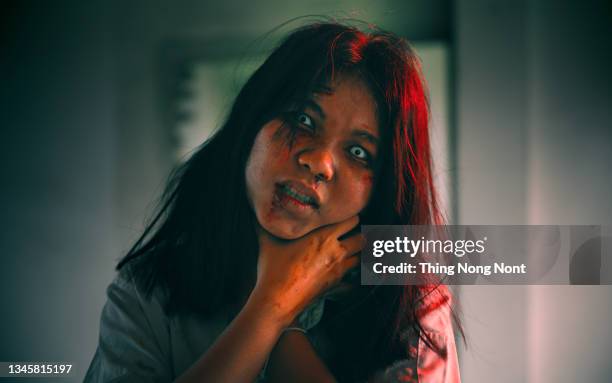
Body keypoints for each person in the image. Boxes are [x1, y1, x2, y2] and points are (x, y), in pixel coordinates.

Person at [84, 20, 462, 383]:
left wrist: (283, 321)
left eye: (359, 153)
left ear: (382, 188)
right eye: (303, 119)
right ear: (252, 121)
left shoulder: (412, 304)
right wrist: (269, 307)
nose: (319, 162)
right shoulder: (151, 290)